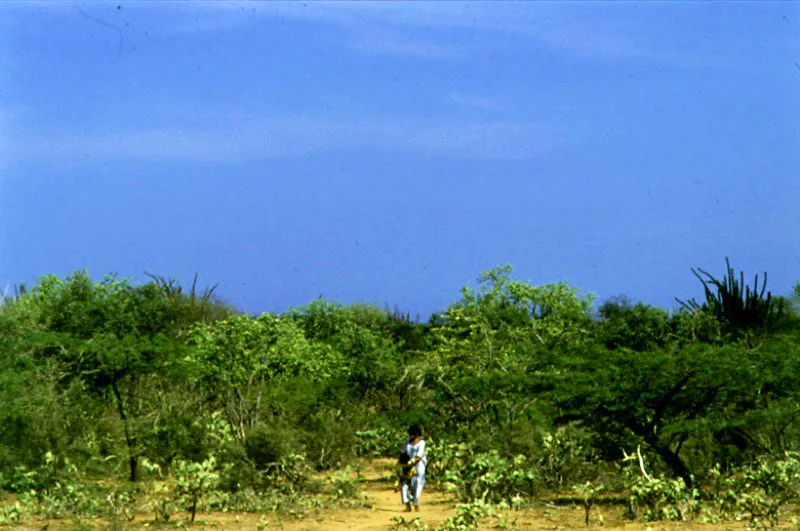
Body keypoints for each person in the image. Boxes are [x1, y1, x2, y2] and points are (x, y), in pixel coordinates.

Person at [400, 424, 426, 512]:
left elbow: (419, 457)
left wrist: (411, 463)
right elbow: (403, 453)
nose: (411, 436)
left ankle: (416, 504)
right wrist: (403, 465)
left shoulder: (421, 443)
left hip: (418, 467)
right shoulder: (407, 442)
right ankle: (407, 505)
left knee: (417, 485)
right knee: (404, 485)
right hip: (407, 466)